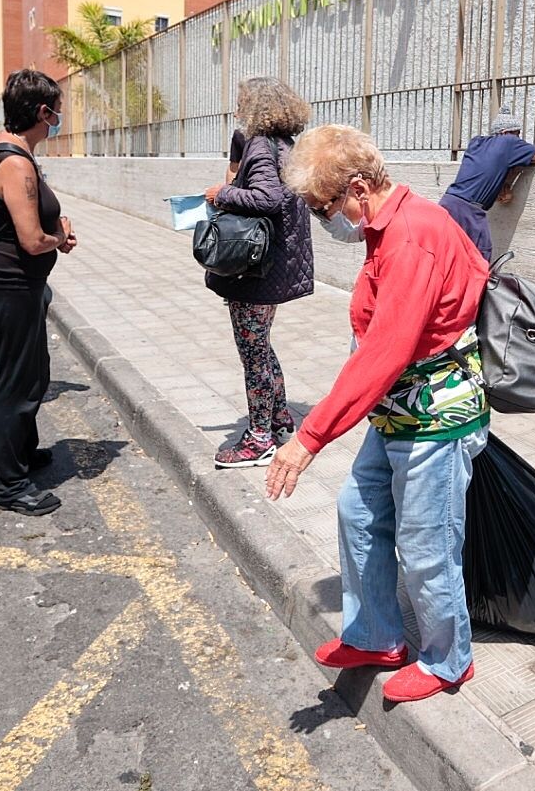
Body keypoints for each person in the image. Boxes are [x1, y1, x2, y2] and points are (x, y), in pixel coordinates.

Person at [263, 124, 491, 703]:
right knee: (358, 513)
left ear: (358, 187)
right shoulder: (388, 227)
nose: (324, 220)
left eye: (324, 206)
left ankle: (448, 659)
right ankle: (377, 636)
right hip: (400, 412)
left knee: (427, 544)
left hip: (435, 417)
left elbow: (386, 352)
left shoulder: (412, 236)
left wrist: (308, 438)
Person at [0, 70, 77, 516]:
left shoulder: (7, 151)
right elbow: (32, 240)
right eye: (56, 109)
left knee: (28, 377)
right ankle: (10, 486)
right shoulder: (13, 162)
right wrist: (61, 237)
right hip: (7, 289)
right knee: (13, 386)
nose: (59, 117)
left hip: (14, 287)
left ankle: (24, 454)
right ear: (41, 112)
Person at [201, 81, 314, 468]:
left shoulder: (261, 147)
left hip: (258, 272)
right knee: (261, 345)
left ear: (257, 108)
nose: (236, 110)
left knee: (253, 354)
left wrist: (222, 193)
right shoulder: (282, 145)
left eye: (241, 104)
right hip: (274, 266)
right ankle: (281, 417)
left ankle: (260, 438)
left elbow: (267, 198)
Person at [437, 106, 535, 260]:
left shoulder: (476, 143)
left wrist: (505, 185)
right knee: (480, 260)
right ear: (506, 132)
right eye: (517, 134)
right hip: (469, 212)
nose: (519, 139)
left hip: (447, 203)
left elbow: (492, 166)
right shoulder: (509, 143)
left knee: (444, 257)